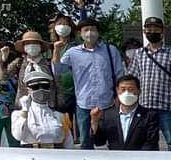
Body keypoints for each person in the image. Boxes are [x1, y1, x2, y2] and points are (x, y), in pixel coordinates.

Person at [52, 17, 123, 150]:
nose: (90, 33)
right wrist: (56, 51)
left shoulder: (110, 50)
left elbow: (120, 75)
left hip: (108, 104)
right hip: (84, 104)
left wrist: (119, 97)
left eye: (93, 30)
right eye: (86, 30)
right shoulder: (72, 53)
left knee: (114, 141)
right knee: (86, 143)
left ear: (98, 32)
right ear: (80, 33)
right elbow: (58, 70)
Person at [127, 17, 171, 150]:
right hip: (144, 106)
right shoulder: (139, 53)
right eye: (149, 29)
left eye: (156, 29)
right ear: (144, 31)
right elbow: (132, 78)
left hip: (167, 105)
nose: (152, 31)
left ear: (162, 31)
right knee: (147, 143)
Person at [11, 31, 64, 110]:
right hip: (25, 107)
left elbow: (58, 83)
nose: (32, 45)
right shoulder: (19, 63)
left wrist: (60, 105)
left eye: (35, 43)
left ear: (40, 46)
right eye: (28, 43)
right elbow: (2, 78)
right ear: (24, 46)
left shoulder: (49, 63)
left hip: (48, 106)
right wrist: (2, 63)